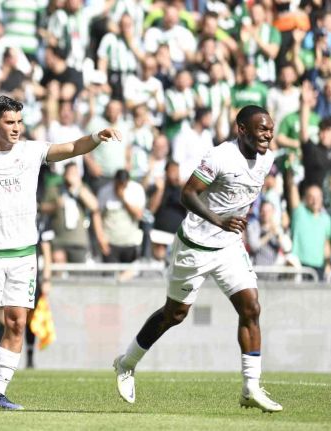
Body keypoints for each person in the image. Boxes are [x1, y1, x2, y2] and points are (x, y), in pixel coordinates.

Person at [0, 95, 120, 410]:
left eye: (19, 122)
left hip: (23, 253)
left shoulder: (32, 151)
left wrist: (95, 137)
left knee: (17, 322)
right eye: (9, 122)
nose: (16, 128)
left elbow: (71, 148)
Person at [113, 105, 283, 413]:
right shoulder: (220, 156)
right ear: (242, 129)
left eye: (270, 129)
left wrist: (230, 225)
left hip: (229, 246)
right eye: (261, 129)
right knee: (175, 314)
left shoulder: (267, 158)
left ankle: (251, 387)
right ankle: (126, 363)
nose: (267, 135)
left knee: (251, 307)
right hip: (195, 245)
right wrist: (219, 220)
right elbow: (187, 193)